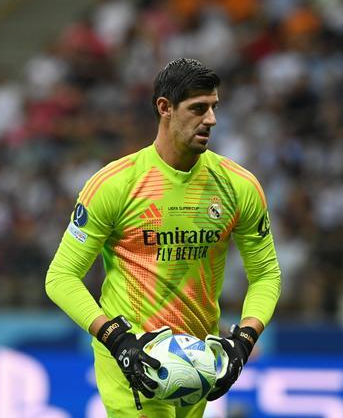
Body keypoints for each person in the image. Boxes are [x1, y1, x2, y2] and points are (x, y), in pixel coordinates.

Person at [45, 58, 281, 417]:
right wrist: (117, 340)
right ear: (164, 108)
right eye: (198, 109)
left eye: (214, 108)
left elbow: (266, 275)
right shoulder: (115, 185)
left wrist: (244, 340)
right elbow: (60, 277)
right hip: (133, 360)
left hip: (197, 363)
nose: (211, 120)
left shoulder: (238, 187)